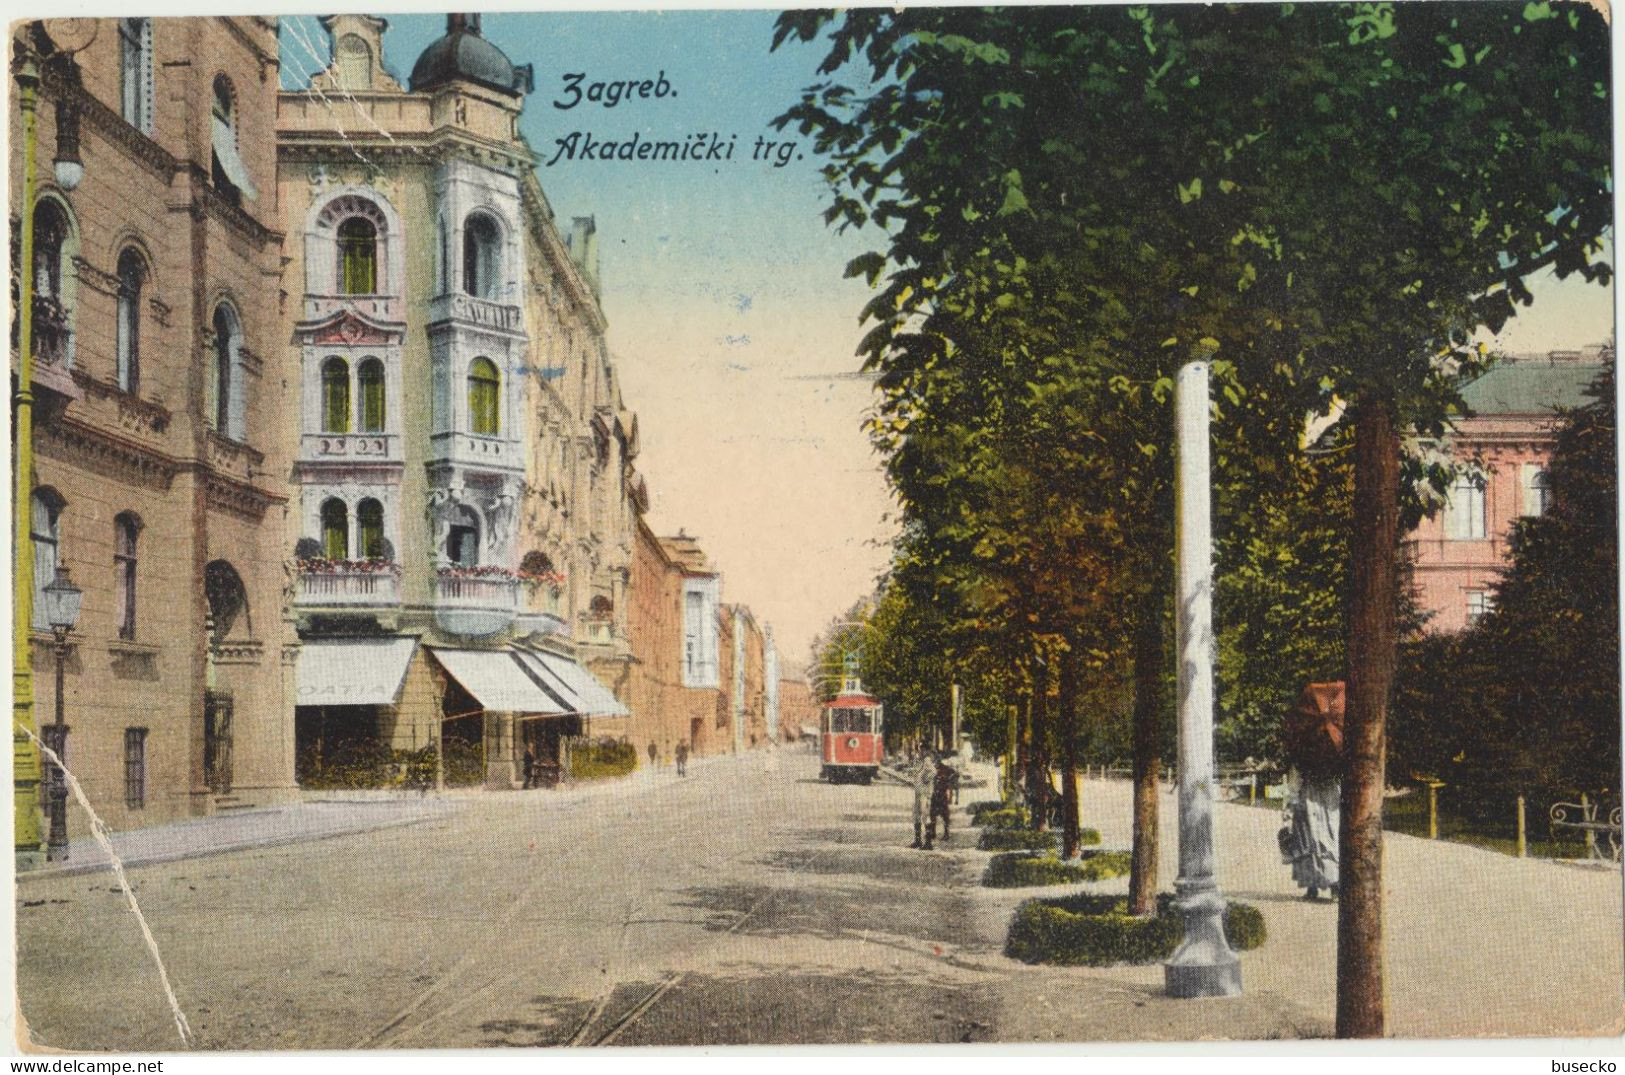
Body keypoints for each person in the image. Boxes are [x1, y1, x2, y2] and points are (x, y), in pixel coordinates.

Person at [1280, 766, 1340, 899]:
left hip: (1327, 799)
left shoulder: (1332, 755)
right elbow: (1294, 782)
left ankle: (1334, 884)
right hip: (1309, 798)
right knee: (1307, 841)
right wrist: (1292, 804)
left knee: (1327, 839)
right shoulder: (1302, 755)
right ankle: (1311, 886)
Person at [925, 754, 961, 848]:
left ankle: (946, 833)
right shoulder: (931, 769)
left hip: (942, 794)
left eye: (936, 760)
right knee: (932, 814)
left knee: (945, 815)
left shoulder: (946, 769)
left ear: (939, 760)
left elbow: (956, 774)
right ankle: (933, 833)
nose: (935, 762)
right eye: (934, 760)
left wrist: (949, 782)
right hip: (934, 794)